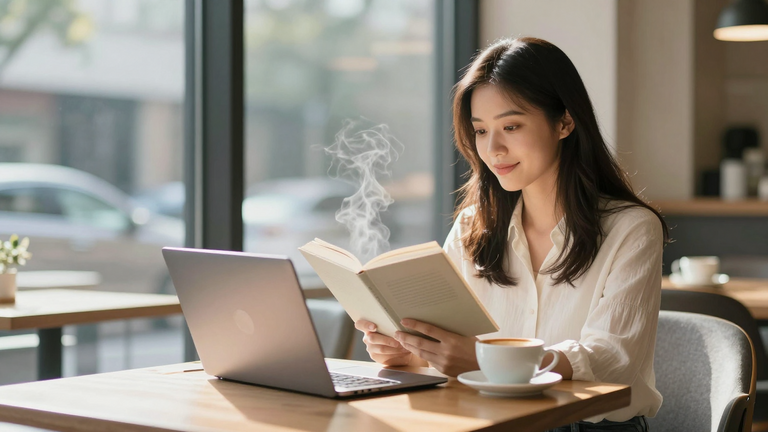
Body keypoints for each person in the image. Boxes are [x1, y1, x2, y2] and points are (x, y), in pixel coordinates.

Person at [354, 37, 668, 431]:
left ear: (565, 122)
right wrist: (414, 355)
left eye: (511, 126)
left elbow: (612, 360)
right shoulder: (473, 226)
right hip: (485, 421)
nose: (493, 148)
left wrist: (487, 359)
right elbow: (457, 347)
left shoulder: (631, 229)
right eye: (481, 131)